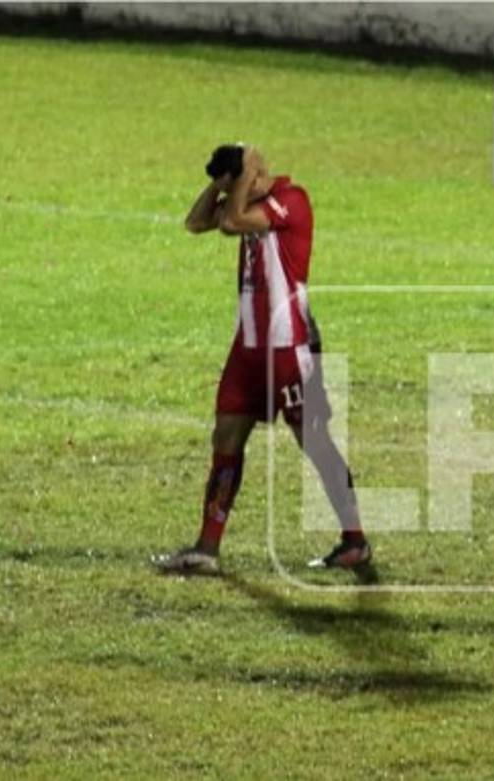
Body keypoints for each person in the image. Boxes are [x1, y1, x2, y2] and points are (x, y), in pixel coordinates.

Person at [154, 144, 371, 575]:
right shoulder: (247, 198)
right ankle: (207, 549)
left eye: (235, 182)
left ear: (255, 176)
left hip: (290, 345)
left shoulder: (292, 200)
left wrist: (244, 178)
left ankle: (355, 540)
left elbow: (231, 221)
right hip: (249, 348)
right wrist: (222, 181)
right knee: (226, 437)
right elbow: (196, 222)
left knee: (315, 443)